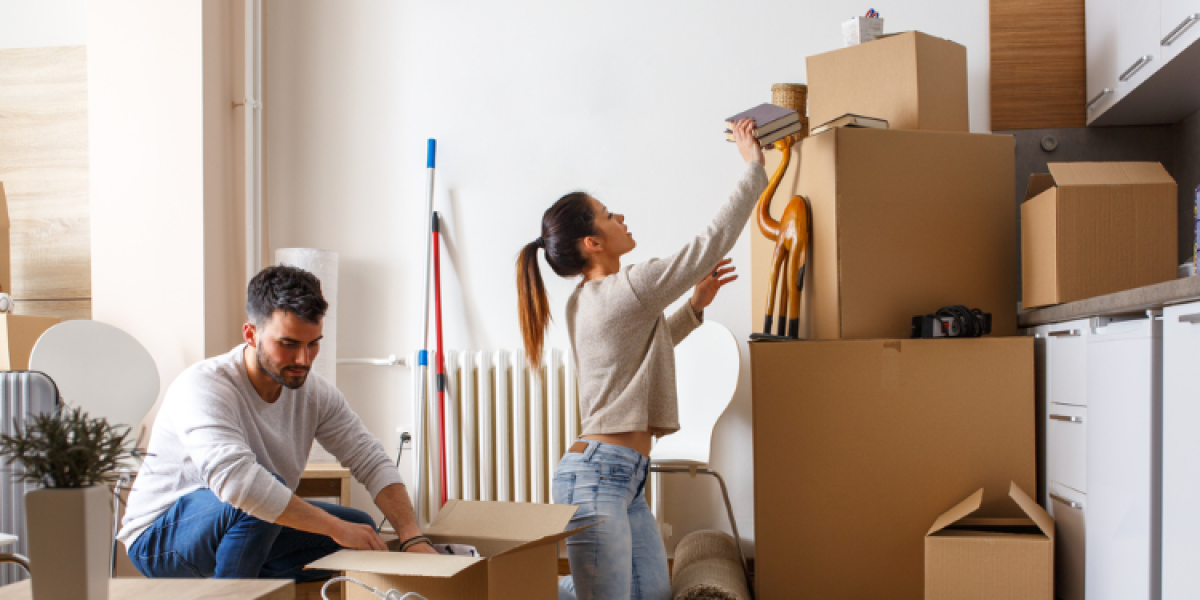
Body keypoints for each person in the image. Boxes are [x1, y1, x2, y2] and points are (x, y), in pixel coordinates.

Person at [515, 119, 767, 600]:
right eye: (608, 216)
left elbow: (648, 352)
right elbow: (708, 245)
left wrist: (694, 307)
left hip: (622, 477)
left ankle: (540, 589)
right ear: (593, 243)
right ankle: (522, 589)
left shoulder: (591, 298)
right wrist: (753, 168)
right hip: (596, 477)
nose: (620, 218)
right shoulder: (627, 289)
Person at [118, 265, 436, 582]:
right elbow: (240, 484)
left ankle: (252, 578)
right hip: (159, 537)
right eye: (288, 344)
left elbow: (369, 458)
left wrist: (411, 536)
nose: (303, 359)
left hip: (245, 525)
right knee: (258, 500)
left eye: (313, 344)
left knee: (363, 529)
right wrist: (335, 529)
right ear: (251, 334)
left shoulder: (316, 394)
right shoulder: (203, 386)